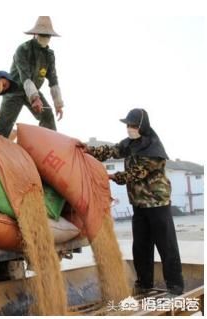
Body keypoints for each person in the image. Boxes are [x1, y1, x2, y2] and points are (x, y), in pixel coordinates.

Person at [79, 108, 184, 296]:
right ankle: (144, 284)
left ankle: (175, 287)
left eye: (133, 125)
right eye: (128, 125)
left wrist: (110, 176)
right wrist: (89, 150)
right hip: (139, 204)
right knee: (141, 247)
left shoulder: (153, 149)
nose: (129, 128)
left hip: (157, 204)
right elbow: (113, 150)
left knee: (166, 246)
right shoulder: (131, 143)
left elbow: (136, 173)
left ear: (142, 126)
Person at [0, 16, 64, 138]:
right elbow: (25, 77)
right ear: (35, 34)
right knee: (3, 126)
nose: (45, 38)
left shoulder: (49, 56)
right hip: (15, 92)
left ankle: (49, 146)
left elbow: (53, 80)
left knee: (47, 115)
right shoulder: (23, 50)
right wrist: (35, 98)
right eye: (42, 34)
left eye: (48, 35)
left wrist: (58, 103)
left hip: (34, 92)